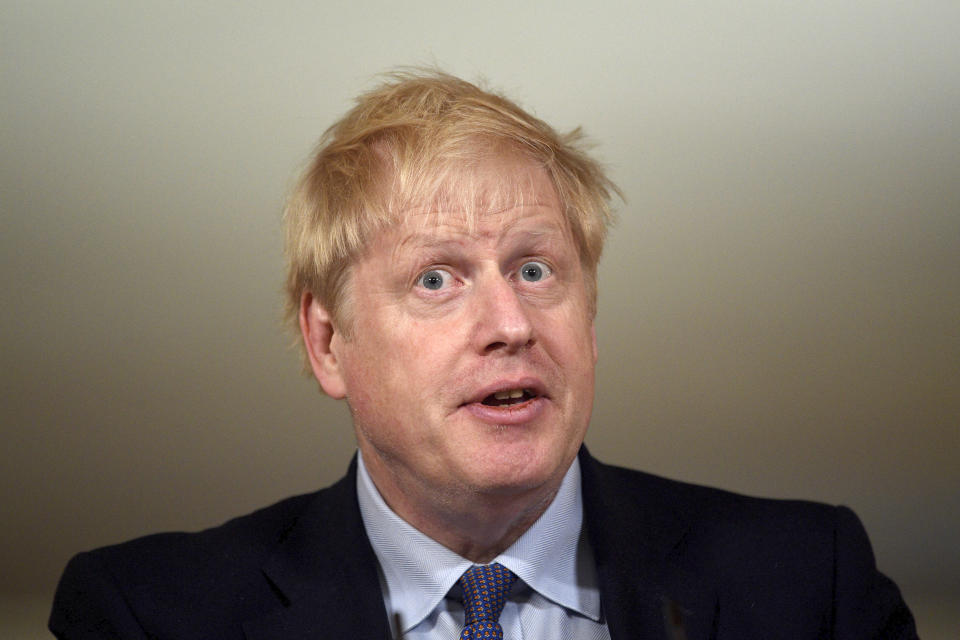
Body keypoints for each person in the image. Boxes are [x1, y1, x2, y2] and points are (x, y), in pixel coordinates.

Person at [50, 70, 917, 639]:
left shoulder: (813, 583)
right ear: (328, 344)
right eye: (437, 279)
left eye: (536, 269)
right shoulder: (145, 614)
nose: (511, 322)